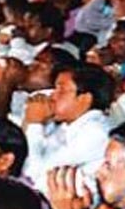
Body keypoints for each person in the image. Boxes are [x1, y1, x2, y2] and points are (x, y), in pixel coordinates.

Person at [22, 62, 114, 194]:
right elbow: (26, 156)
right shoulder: (65, 125)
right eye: (54, 89)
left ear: (84, 99)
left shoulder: (96, 133)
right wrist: (31, 120)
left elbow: (32, 175)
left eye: (61, 90)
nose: (53, 96)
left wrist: (35, 124)